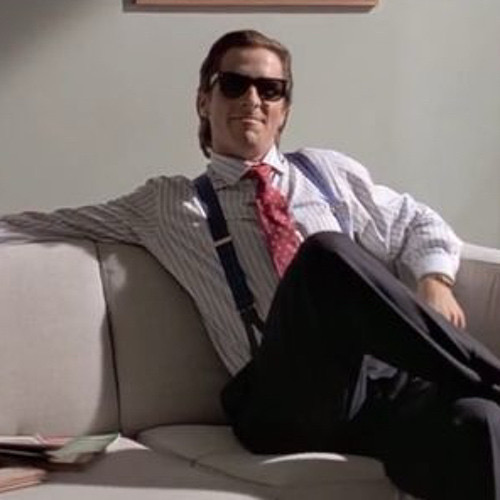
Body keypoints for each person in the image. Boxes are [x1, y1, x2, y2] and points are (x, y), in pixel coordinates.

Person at [1, 29, 500, 499]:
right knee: (324, 255)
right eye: (235, 84)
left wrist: (435, 281)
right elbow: (43, 223)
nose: (253, 99)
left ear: (284, 110)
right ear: (205, 100)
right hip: (279, 402)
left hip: (375, 392)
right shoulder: (166, 203)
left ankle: (479, 393)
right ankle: (489, 374)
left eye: (270, 89)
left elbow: (417, 221)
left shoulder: (328, 172)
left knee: (478, 420)